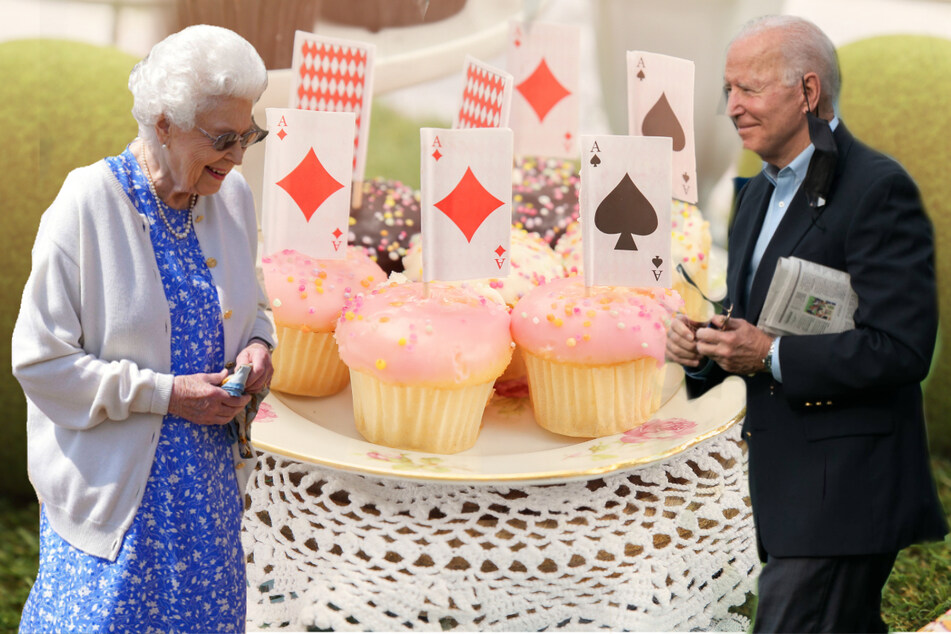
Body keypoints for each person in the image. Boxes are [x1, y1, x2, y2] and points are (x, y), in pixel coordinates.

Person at [666, 15, 948, 633]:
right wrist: (704, 347)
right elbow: (756, 322)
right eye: (728, 89)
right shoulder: (755, 197)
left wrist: (767, 351)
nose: (732, 107)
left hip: (848, 488)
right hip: (783, 481)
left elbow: (901, 349)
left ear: (809, 93)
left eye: (750, 89)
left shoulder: (878, 190)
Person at [13, 25, 275, 632]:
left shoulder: (231, 198)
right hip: (116, 511)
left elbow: (252, 303)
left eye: (249, 134)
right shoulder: (88, 204)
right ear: (162, 122)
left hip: (205, 503)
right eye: (223, 137)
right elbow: (41, 363)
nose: (238, 156)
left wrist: (260, 345)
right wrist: (165, 393)